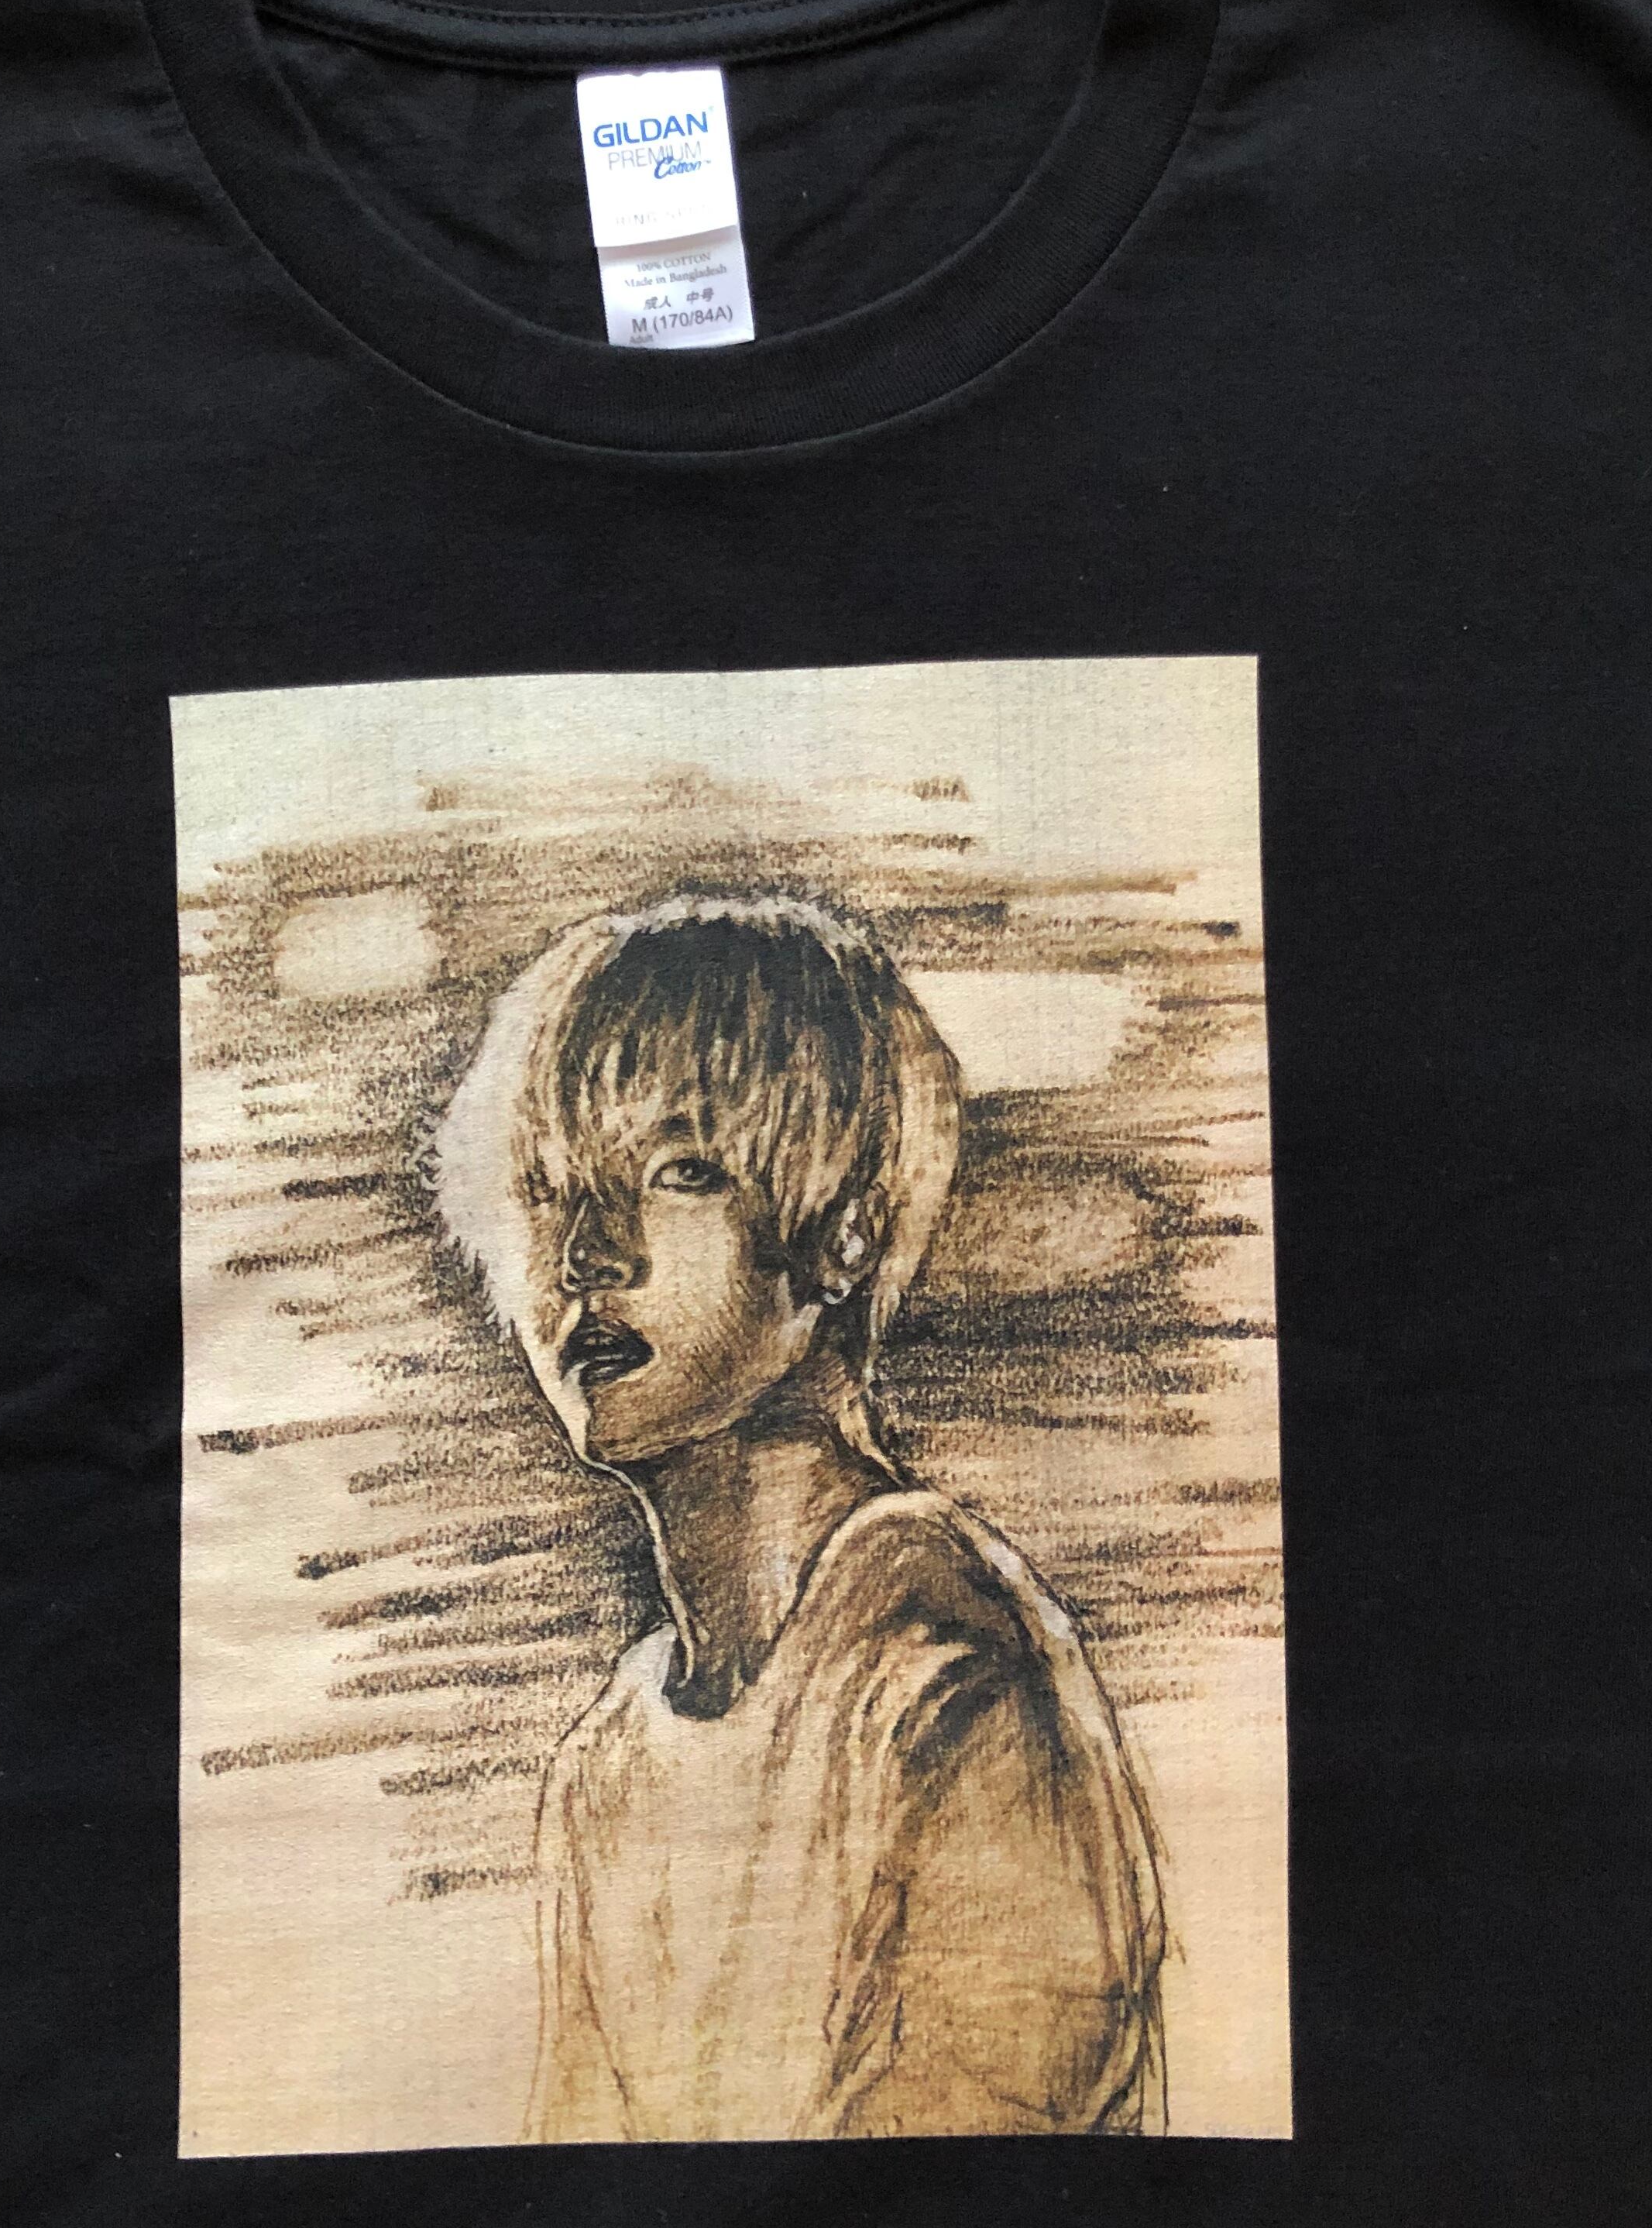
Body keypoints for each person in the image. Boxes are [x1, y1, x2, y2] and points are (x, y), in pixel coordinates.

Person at [433, 893, 1166, 2142]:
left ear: (845, 1238)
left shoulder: (947, 1679)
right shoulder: (609, 1767)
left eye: (680, 1173)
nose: (588, 1255)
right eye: (552, 1190)